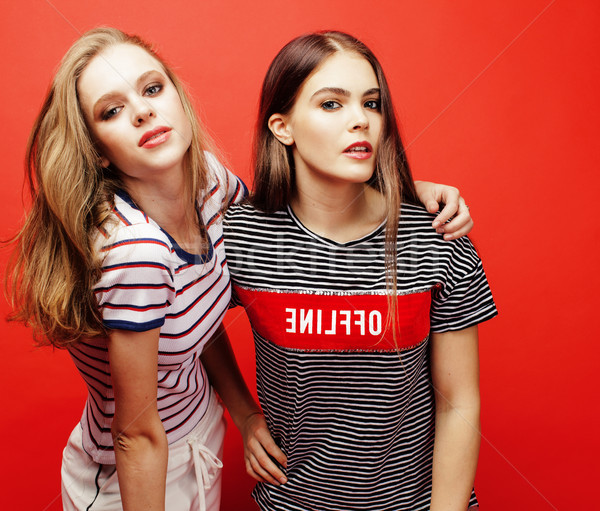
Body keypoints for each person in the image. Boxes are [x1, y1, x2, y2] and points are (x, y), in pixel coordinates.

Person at [5, 27, 474, 511]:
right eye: (112, 110)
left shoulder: (211, 184)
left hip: (202, 431)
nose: (143, 110)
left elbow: (290, 220)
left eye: (151, 89)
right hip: (137, 461)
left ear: (178, 98)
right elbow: (135, 436)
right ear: (97, 149)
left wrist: (405, 191)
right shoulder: (136, 253)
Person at [223, 31, 497, 510]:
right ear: (282, 127)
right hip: (292, 501)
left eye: (372, 104)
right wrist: (245, 414)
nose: (361, 121)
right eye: (332, 104)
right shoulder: (242, 236)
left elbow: (459, 403)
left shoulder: (437, 237)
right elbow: (189, 320)